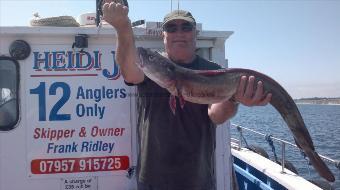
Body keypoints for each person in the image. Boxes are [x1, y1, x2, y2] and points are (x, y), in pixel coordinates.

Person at [102, 1, 272, 189]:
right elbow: (128, 70)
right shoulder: (153, 66)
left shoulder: (213, 71)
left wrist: (233, 97)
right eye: (171, 28)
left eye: (186, 27)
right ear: (164, 36)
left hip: (198, 180)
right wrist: (122, 27)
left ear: (195, 34)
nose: (179, 32)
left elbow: (217, 115)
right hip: (152, 179)